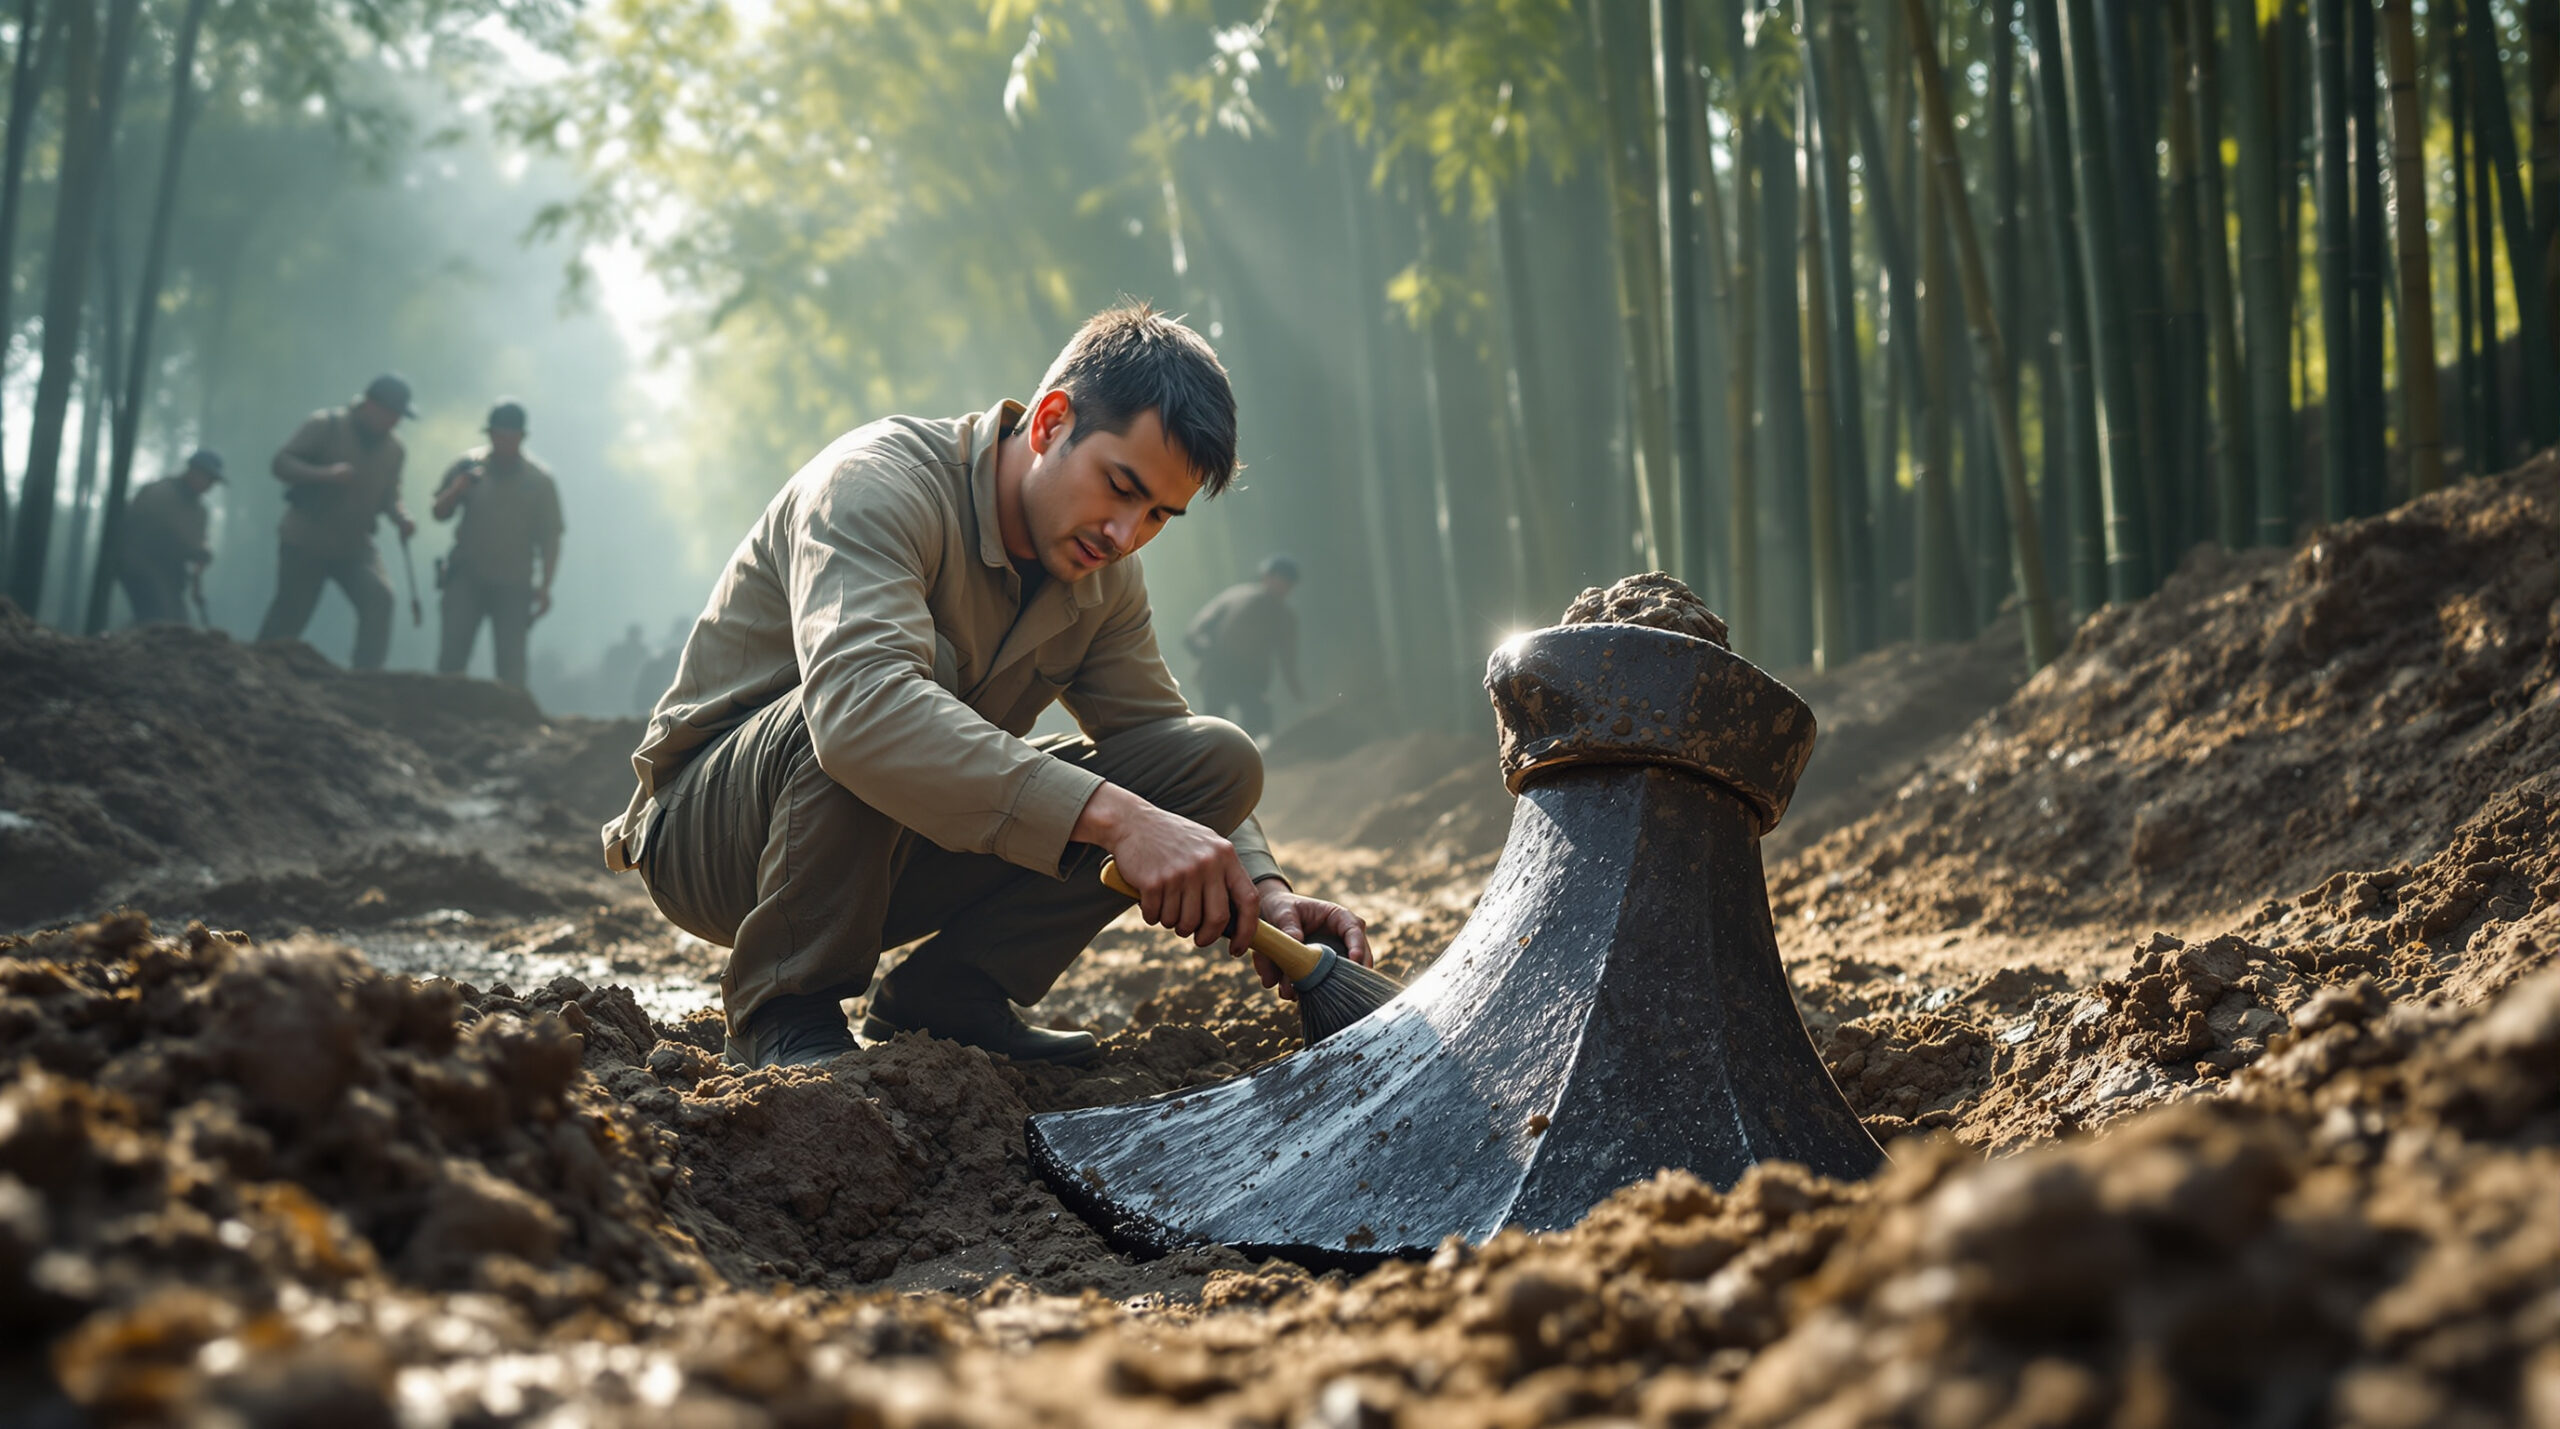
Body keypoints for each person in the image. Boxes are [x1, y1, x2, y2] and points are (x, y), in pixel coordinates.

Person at [603, 303, 1371, 1070]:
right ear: (1051, 422)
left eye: (1157, 516)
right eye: (1119, 486)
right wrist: (1117, 818)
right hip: (713, 838)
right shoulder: (874, 483)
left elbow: (1162, 739)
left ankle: (952, 992)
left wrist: (1264, 886)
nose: (1124, 534)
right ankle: (783, 1008)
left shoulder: (1107, 576)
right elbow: (858, 711)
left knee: (1217, 762)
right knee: (894, 689)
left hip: (896, 847)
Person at [255, 373, 416, 669]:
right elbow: (282, 463)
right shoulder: (325, 425)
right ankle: (258, 670)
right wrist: (325, 474)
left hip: (354, 545)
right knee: (290, 615)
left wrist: (401, 517)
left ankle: (366, 680)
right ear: (370, 405)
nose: (394, 422)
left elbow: (390, 495)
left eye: (398, 416)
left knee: (380, 599)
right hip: (305, 538)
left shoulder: (395, 450)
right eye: (390, 413)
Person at [429, 400, 565, 690]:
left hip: (514, 584)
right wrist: (456, 490)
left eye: (509, 436)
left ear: (521, 437)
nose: (502, 442)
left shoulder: (539, 481)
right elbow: (439, 512)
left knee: (511, 665)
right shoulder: (467, 467)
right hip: (466, 576)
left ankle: (512, 717)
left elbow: (551, 538)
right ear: (489, 434)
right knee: (452, 658)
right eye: (497, 435)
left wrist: (545, 586)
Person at [1183, 553, 1303, 737]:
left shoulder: (1285, 618)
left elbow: (1287, 659)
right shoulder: (1237, 598)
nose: (1284, 586)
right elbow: (1194, 631)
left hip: (1251, 679)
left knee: (1259, 721)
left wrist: (1297, 692)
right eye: (1281, 579)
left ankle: (1245, 750)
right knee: (1213, 722)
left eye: (1288, 582)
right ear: (1267, 577)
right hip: (1218, 670)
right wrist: (1206, 652)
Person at [116, 449, 224, 626]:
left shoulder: (199, 511)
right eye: (208, 478)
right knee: (159, 620)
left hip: (170, 576)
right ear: (194, 471)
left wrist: (199, 569)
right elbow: (144, 535)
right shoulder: (158, 494)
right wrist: (189, 551)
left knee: (176, 622)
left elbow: (198, 545)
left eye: (213, 481)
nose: (210, 485)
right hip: (141, 567)